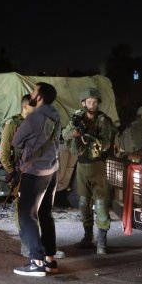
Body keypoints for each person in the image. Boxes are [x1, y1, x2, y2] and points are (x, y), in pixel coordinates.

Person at [12, 82, 61, 277]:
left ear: (39, 97)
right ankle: (49, 259)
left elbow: (16, 141)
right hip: (52, 169)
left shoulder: (34, 118)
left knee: (26, 215)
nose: (31, 94)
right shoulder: (56, 115)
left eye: (33, 91)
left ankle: (36, 261)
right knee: (45, 213)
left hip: (35, 172)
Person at [62, 87, 117, 255]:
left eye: (94, 102)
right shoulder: (77, 118)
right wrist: (75, 133)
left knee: (100, 203)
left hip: (98, 166)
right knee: (83, 203)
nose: (91, 105)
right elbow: (65, 134)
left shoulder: (103, 121)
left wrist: (88, 135)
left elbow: (106, 144)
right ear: (83, 103)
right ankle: (88, 237)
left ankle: (102, 241)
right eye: (89, 102)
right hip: (82, 166)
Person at [0, 93, 32, 245]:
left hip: (36, 171)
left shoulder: (36, 123)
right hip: (20, 172)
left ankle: (36, 243)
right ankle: (26, 242)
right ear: (25, 106)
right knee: (23, 208)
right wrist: (12, 173)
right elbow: (3, 155)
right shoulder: (13, 124)